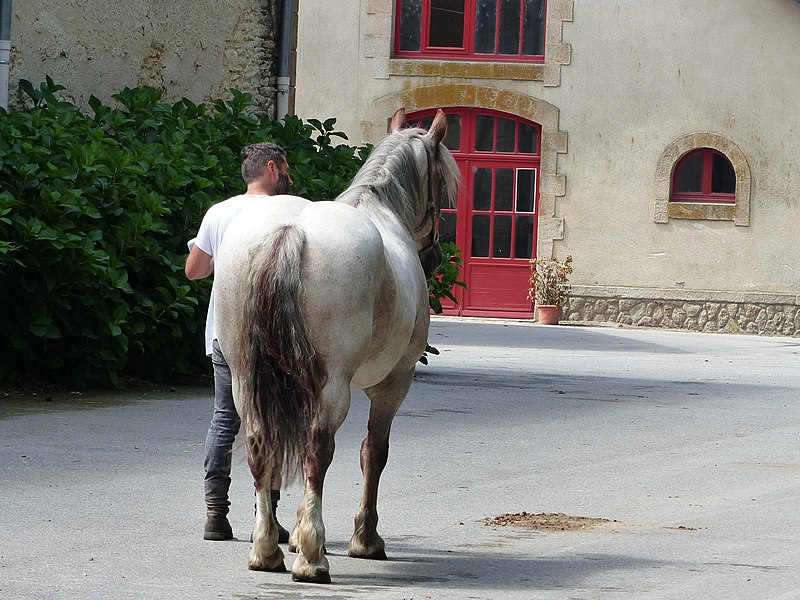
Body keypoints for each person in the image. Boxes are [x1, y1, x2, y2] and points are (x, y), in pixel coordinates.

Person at [185, 142, 293, 542]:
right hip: (277, 334)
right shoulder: (289, 211)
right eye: (286, 169)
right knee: (274, 420)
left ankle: (216, 515)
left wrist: (219, 257)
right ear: (271, 169)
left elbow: (194, 270)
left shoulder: (219, 212)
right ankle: (267, 516)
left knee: (225, 419)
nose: (290, 177)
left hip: (226, 333)